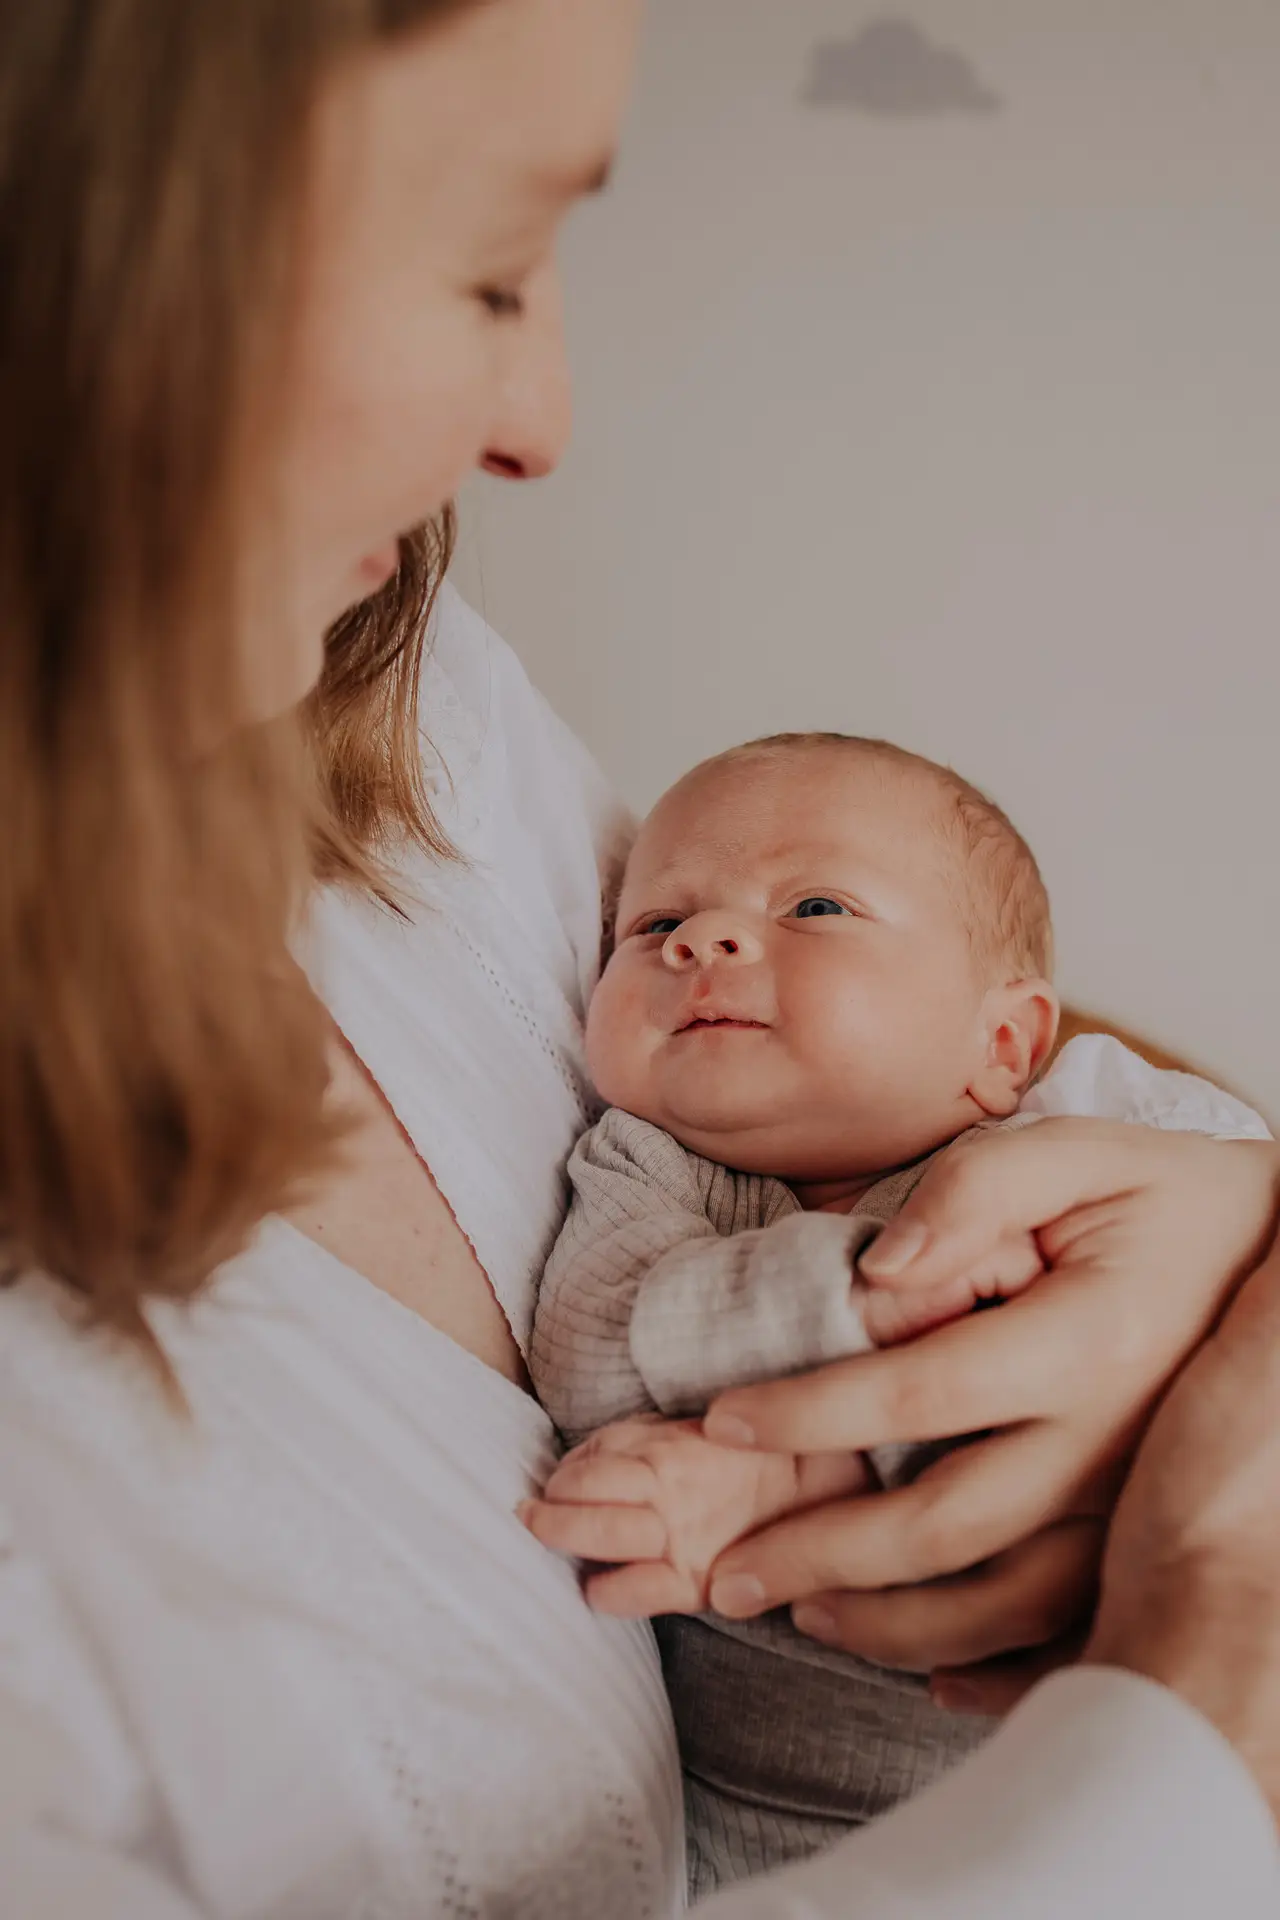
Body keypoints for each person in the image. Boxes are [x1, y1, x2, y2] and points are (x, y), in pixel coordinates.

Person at [0, 3, 1277, 1916]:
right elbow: (633, 1331)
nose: (541, 429)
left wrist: (1225, 1239)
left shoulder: (376, 691)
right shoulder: (643, 1172)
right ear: (100, 250)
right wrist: (1215, 1666)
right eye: (491, 265)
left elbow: (988, 1091)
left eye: (800, 914)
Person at [524, 731, 1270, 1895]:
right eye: (648, 924)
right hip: (789, 1823)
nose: (698, 940)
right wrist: (865, 1298)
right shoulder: (648, 1164)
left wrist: (796, 1453)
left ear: (1003, 1042)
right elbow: (591, 1348)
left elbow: (1239, 1304)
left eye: (813, 905)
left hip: (1138, 1700)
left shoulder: (1097, 1114)